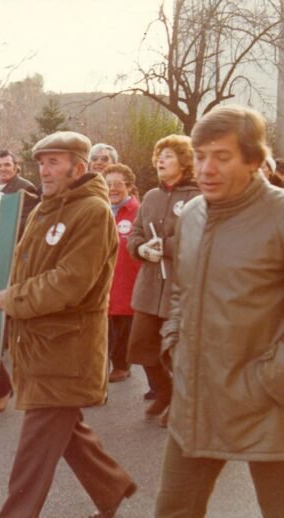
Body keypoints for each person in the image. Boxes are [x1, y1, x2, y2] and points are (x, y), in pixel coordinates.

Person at [0, 131, 136, 518]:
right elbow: (27, 264)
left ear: (79, 166)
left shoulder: (91, 211)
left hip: (65, 351)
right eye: (41, 162)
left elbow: (71, 282)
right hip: (40, 345)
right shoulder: (46, 207)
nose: (44, 169)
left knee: (33, 457)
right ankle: (112, 488)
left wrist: (15, 299)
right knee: (67, 432)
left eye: (54, 162)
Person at [155, 105, 284, 517]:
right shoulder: (192, 214)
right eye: (201, 155)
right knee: (173, 510)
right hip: (198, 396)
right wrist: (174, 341)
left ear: (254, 159)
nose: (206, 168)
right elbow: (182, 291)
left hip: (270, 403)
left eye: (222, 157)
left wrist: (270, 379)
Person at [127, 135, 200, 423]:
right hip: (148, 287)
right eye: (159, 154)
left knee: (176, 353)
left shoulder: (197, 197)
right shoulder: (151, 197)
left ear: (185, 161)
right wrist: (141, 248)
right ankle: (164, 390)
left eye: (168, 155)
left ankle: (181, 405)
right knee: (142, 348)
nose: (160, 160)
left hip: (179, 288)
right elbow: (135, 233)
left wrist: (165, 247)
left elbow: (200, 238)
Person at [0, 150, 40, 413]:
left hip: (14, 255)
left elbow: (27, 223)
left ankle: (12, 348)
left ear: (16, 167)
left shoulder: (25, 189)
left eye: (8, 165)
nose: (3, 169)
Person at [102, 164, 141, 383]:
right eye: (108, 184)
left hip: (128, 278)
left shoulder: (136, 211)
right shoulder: (103, 209)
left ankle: (121, 365)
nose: (113, 189)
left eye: (118, 184)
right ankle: (112, 363)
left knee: (124, 325)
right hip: (107, 278)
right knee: (109, 325)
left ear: (128, 186)